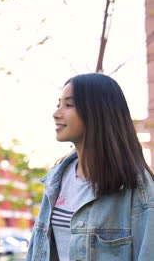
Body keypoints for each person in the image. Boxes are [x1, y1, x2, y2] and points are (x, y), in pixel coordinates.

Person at [26, 73, 154, 261]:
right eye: (58, 104)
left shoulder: (138, 188)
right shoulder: (55, 179)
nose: (56, 113)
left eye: (69, 105)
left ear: (98, 111)